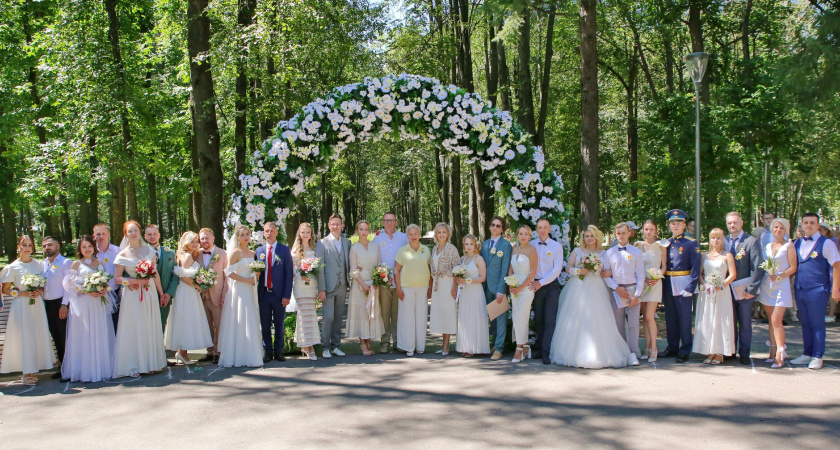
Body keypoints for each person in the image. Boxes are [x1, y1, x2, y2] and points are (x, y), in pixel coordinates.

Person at [550, 226, 634, 369]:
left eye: (591, 236)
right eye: (586, 236)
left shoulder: (604, 253)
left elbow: (609, 269)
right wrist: (579, 270)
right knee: (578, 319)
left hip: (598, 287)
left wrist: (606, 272)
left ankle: (602, 353)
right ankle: (574, 353)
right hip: (578, 287)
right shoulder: (577, 251)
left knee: (600, 319)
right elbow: (568, 267)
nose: (589, 238)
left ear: (596, 237)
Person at [112, 221, 167, 378]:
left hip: (149, 293)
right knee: (134, 327)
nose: (133, 233)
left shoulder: (149, 250)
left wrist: (161, 292)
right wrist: (133, 282)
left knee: (149, 325)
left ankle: (150, 363)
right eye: (130, 231)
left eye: (136, 230)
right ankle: (133, 364)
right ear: (126, 234)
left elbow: (154, 273)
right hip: (133, 294)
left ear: (139, 232)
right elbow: (117, 279)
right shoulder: (122, 254)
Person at [0, 236, 55, 385]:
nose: (27, 248)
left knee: (36, 334)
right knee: (24, 336)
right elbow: (5, 290)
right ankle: (26, 372)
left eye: (30, 245)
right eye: (24, 245)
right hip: (21, 306)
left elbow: (44, 283)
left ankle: (35, 368)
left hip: (36, 304)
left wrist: (39, 290)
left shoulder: (38, 265)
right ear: (19, 247)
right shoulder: (12, 267)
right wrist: (22, 293)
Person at [60, 235, 116, 382]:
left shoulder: (99, 263)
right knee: (84, 335)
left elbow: (105, 280)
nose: (87, 249)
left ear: (94, 247)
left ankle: (100, 367)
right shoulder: (76, 264)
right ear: (79, 248)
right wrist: (86, 291)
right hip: (83, 303)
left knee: (98, 332)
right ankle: (84, 370)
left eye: (89, 246)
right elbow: (69, 285)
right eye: (84, 247)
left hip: (97, 303)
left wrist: (104, 289)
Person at [789, 213, 840, 370]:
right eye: (806, 223)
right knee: (805, 323)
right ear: (802, 225)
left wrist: (836, 289)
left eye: (812, 223)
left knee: (817, 324)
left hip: (818, 290)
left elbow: (837, 266)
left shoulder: (826, 243)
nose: (808, 225)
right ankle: (807, 353)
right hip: (800, 289)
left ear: (818, 225)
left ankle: (818, 355)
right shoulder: (797, 243)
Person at [164, 231, 214, 365]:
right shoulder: (187, 257)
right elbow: (184, 276)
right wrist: (197, 286)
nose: (195, 244)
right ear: (185, 242)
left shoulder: (183, 255)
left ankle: (182, 352)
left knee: (185, 320)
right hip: (187, 291)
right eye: (192, 241)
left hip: (186, 291)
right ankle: (182, 353)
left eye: (196, 241)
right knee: (186, 320)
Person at [659, 209, 701, 363]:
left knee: (684, 319)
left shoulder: (691, 243)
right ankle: (672, 347)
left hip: (684, 283)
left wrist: (690, 287)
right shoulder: (666, 243)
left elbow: (696, 267)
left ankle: (684, 350)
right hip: (669, 283)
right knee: (671, 318)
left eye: (678, 223)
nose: (675, 226)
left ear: (684, 225)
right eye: (672, 223)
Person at [218, 225, 264, 368]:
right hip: (239, 289)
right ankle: (236, 355)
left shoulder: (252, 252)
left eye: (247, 234)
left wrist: (257, 275)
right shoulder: (235, 253)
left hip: (250, 289)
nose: (245, 237)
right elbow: (228, 272)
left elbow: (255, 269)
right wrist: (246, 281)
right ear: (237, 237)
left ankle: (250, 355)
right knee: (240, 318)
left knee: (250, 318)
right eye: (242, 235)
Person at [723, 212, 765, 365]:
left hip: (744, 289)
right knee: (730, 321)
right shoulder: (725, 241)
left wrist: (751, 289)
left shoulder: (751, 241)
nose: (732, 225)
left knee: (745, 322)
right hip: (727, 290)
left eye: (734, 222)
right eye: (729, 223)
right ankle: (731, 351)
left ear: (741, 223)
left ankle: (745, 352)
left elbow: (758, 266)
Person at [601, 223, 643, 365]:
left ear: (629, 233)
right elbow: (605, 274)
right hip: (616, 291)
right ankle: (622, 351)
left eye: (623, 233)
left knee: (633, 324)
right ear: (615, 234)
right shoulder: (610, 253)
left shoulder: (636, 252)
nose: (621, 236)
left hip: (632, 290)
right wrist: (616, 288)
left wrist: (637, 295)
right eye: (618, 233)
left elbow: (640, 276)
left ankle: (632, 352)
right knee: (619, 324)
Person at [692, 228, 737, 365]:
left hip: (722, 293)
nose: (715, 240)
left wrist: (721, 285)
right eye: (713, 238)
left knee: (721, 321)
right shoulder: (705, 256)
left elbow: (733, 274)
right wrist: (704, 284)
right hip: (707, 293)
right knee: (708, 321)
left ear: (722, 239)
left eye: (718, 238)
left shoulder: (727, 255)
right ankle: (710, 351)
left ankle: (719, 353)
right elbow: (700, 273)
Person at [758, 218, 796, 368]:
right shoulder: (768, 246)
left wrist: (780, 275)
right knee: (770, 320)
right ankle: (772, 351)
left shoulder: (789, 246)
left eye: (781, 228)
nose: (778, 230)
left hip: (782, 285)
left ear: (785, 230)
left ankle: (781, 352)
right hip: (768, 284)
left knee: (776, 320)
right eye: (776, 227)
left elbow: (793, 267)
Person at [255, 221, 294, 363]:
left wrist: (286, 295)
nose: (269, 233)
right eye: (266, 231)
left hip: (279, 295)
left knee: (279, 325)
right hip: (264, 294)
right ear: (263, 233)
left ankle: (278, 351)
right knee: (265, 325)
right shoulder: (258, 252)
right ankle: (268, 352)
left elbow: (289, 275)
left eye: (272, 230)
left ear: (276, 232)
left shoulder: (284, 250)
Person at [346, 220, 384, 355]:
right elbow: (353, 269)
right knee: (362, 314)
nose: (364, 232)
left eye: (366, 229)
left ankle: (369, 344)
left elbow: (379, 264)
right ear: (357, 231)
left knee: (370, 315)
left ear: (369, 231)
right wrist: (363, 284)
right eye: (361, 229)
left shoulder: (375, 246)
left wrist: (377, 281)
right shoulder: (354, 248)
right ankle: (363, 345)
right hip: (360, 286)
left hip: (373, 285)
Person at [372, 212, 409, 353]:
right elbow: (375, 260)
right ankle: (385, 342)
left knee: (397, 314)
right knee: (385, 314)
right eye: (386, 221)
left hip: (400, 282)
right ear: (382, 222)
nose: (388, 223)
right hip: (384, 282)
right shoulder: (377, 239)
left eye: (391, 220)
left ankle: (398, 342)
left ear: (396, 222)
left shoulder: (403, 238)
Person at [316, 213, 351, 359]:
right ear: (329, 226)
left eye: (338, 224)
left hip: (342, 285)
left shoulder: (347, 243)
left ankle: (336, 345)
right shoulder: (322, 243)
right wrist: (321, 289)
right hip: (328, 287)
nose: (336, 226)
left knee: (338, 317)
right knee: (328, 317)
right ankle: (325, 347)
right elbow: (319, 267)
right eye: (333, 224)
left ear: (342, 226)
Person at [530, 218, 564, 364]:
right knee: (538, 319)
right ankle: (539, 347)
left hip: (551, 286)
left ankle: (546, 351)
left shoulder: (557, 246)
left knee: (549, 319)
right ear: (536, 230)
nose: (542, 230)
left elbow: (557, 269)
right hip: (535, 285)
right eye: (539, 228)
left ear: (550, 229)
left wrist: (541, 283)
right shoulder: (531, 245)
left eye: (545, 227)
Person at [394, 224, 431, 357]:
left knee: (421, 318)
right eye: (411, 234)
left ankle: (420, 347)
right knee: (407, 318)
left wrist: (430, 287)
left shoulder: (426, 249)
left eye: (416, 234)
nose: (413, 236)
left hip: (423, 287)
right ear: (407, 236)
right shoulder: (402, 251)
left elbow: (429, 269)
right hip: (406, 288)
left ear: (419, 235)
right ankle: (409, 347)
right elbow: (396, 270)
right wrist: (398, 288)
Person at [480, 216, 512, 360]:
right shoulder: (484, 244)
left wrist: (501, 290)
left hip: (498, 287)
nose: (495, 228)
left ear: (502, 229)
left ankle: (499, 348)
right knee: (491, 318)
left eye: (498, 226)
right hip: (485, 286)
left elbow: (505, 269)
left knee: (500, 318)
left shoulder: (506, 246)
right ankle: (494, 343)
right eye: (493, 225)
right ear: (489, 227)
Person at [454, 234, 490, 357]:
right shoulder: (462, 259)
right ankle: (465, 346)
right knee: (465, 318)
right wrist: (459, 280)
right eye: (466, 244)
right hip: (465, 292)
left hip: (475, 291)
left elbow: (482, 278)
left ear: (475, 245)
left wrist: (467, 281)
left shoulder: (478, 259)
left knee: (475, 317)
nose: (469, 247)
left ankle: (474, 347)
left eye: (471, 244)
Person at [634, 220, 666, 361]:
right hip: (642, 283)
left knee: (649, 316)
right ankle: (646, 347)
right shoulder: (638, 245)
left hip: (655, 283)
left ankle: (654, 348)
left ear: (656, 230)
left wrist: (657, 277)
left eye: (651, 229)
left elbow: (664, 266)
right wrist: (643, 279)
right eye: (646, 229)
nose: (648, 232)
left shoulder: (661, 246)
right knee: (644, 319)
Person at [41, 235, 72, 377]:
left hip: (61, 304)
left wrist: (64, 305)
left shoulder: (65, 263)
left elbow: (68, 286)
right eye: (44, 246)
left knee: (64, 336)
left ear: (57, 246)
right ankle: (61, 366)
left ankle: (69, 368)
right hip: (46, 304)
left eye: (50, 245)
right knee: (55, 336)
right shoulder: (43, 264)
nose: (47, 248)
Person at [197, 228, 228, 364]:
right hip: (202, 295)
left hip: (217, 294)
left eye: (207, 238)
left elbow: (227, 275)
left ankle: (218, 351)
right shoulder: (196, 254)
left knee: (219, 324)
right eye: (202, 238)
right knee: (206, 325)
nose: (204, 241)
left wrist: (224, 294)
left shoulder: (222, 253)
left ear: (213, 238)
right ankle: (209, 351)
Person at [507, 225, 537, 363]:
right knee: (517, 317)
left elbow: (532, 273)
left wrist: (521, 288)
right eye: (521, 233)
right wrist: (511, 284)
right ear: (517, 235)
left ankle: (519, 348)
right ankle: (525, 346)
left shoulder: (532, 250)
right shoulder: (514, 250)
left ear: (530, 236)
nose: (523, 236)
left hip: (526, 289)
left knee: (520, 316)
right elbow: (510, 269)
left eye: (526, 234)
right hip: (514, 289)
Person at [291, 222, 321, 360]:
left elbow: (319, 267)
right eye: (303, 232)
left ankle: (306, 344)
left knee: (311, 314)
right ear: (299, 233)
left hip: (312, 285)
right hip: (300, 286)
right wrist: (300, 274)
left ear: (311, 234)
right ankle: (309, 347)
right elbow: (293, 269)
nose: (305, 234)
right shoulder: (296, 249)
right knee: (304, 315)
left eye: (307, 232)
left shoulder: (315, 248)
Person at [429, 222, 459, 356]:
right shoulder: (434, 248)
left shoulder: (451, 248)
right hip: (437, 284)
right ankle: (442, 344)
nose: (441, 235)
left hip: (447, 284)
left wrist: (454, 288)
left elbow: (457, 269)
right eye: (439, 232)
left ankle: (447, 345)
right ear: (436, 234)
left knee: (447, 313)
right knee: (440, 313)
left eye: (444, 232)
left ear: (448, 234)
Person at [145, 224, 179, 333]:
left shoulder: (170, 252)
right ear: (145, 236)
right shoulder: (141, 253)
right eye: (149, 234)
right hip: (146, 294)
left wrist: (168, 293)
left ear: (159, 235)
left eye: (155, 234)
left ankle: (160, 349)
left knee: (161, 325)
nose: (152, 236)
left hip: (164, 295)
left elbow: (175, 275)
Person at [93, 223, 121, 329]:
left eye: (103, 233)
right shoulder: (91, 252)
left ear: (108, 234)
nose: (101, 237)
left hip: (115, 292)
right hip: (98, 293)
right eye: (98, 234)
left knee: (115, 324)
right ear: (93, 236)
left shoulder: (117, 251)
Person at [819, 222, 839, 323]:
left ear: (826, 231)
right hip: (826, 269)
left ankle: (831, 314)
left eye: (821, 230)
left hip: (832, 269)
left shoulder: (832, 241)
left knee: (833, 291)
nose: (819, 232)